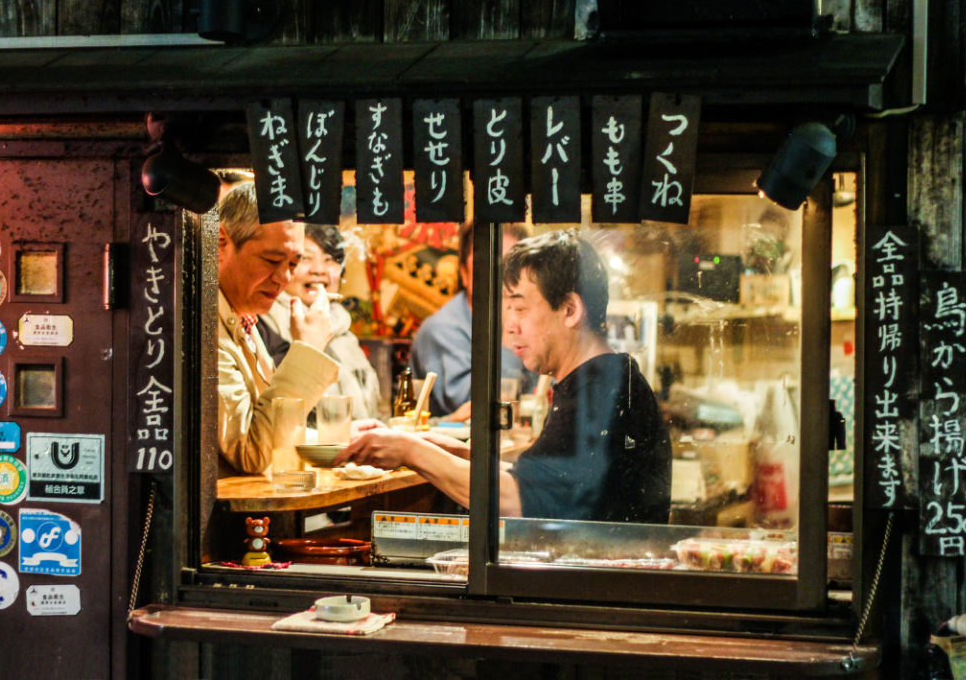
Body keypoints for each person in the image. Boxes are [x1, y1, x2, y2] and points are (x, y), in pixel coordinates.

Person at [336, 229, 672, 523]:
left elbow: (517, 500)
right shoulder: (599, 379)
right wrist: (448, 448)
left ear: (570, 310)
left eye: (520, 308)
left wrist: (411, 451)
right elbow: (544, 481)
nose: (510, 325)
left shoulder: (601, 390)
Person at [217, 181, 339, 475]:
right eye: (272, 260)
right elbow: (252, 452)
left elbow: (270, 428)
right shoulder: (207, 330)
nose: (284, 277)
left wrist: (343, 439)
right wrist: (307, 351)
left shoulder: (243, 317)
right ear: (222, 243)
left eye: (294, 263)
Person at [257, 223, 383, 421]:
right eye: (305, 258)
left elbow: (370, 416)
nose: (319, 270)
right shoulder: (261, 326)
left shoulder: (344, 333)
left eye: (330, 259)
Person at [411, 221, 535, 419]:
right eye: (486, 264)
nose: (499, 276)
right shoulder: (444, 329)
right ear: (465, 274)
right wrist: (509, 328)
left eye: (510, 266)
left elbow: (541, 395)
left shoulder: (531, 318)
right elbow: (478, 410)